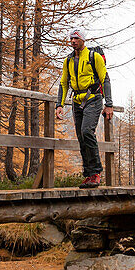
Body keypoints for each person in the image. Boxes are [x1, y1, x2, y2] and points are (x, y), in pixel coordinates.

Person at [55, 28, 114, 188]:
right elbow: (63, 83)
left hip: (93, 99)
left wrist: (108, 104)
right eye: (71, 39)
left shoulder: (93, 57)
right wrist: (59, 104)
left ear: (83, 40)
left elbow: (105, 80)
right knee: (81, 137)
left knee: (87, 131)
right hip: (77, 102)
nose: (73, 41)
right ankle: (88, 175)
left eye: (76, 38)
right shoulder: (68, 60)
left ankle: (96, 173)